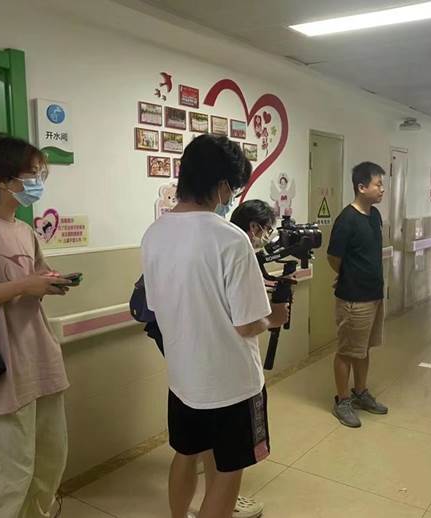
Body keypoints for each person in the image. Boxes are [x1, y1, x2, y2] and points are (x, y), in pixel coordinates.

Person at [141, 135, 288, 518]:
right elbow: (248, 325)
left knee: (185, 454)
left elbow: (157, 305)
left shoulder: (154, 234)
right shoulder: (231, 238)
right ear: (222, 185)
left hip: (183, 380)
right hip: (231, 385)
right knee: (227, 474)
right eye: (234, 189)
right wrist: (275, 317)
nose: (232, 197)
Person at [0, 134, 73, 517]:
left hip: (39, 362)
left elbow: (35, 276)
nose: (38, 182)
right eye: (32, 174)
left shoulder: (24, 230)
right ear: (2, 179)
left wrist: (49, 282)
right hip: (0, 370)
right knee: (7, 479)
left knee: (48, 464)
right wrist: (24, 286)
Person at [327, 162, 388, 428]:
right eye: (378, 184)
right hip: (353, 299)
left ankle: (360, 392)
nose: (382, 189)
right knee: (346, 351)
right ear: (361, 187)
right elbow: (333, 257)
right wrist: (348, 275)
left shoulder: (374, 215)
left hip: (374, 296)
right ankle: (342, 401)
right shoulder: (346, 220)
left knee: (363, 350)